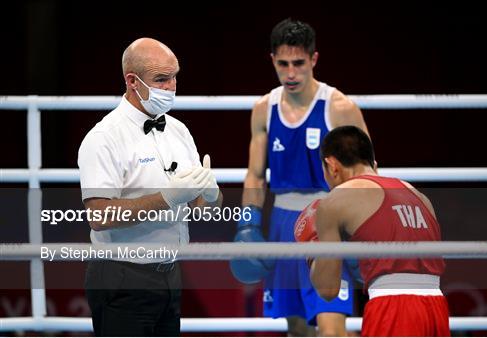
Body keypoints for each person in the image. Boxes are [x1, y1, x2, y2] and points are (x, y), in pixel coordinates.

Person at [230, 19, 370, 336]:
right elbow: (254, 175)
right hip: (283, 223)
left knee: (332, 327)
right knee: (297, 330)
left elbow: (368, 172)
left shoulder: (339, 107)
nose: (290, 73)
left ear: (314, 60)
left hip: (328, 221)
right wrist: (247, 223)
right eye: (283, 64)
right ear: (272, 61)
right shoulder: (263, 109)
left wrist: (364, 229)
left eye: (298, 63)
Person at [78, 37, 222, 336]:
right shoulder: (103, 138)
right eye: (161, 79)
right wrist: (167, 198)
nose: (171, 86)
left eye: (174, 77)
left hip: (171, 272)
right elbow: (99, 217)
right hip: (121, 274)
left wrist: (211, 194)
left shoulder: (179, 131)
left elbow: (202, 208)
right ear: (132, 81)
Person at [295, 125, 450, 336]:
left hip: (392, 307)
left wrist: (313, 252)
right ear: (372, 163)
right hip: (436, 307)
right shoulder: (417, 194)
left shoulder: (335, 201)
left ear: (332, 166)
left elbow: (328, 290)